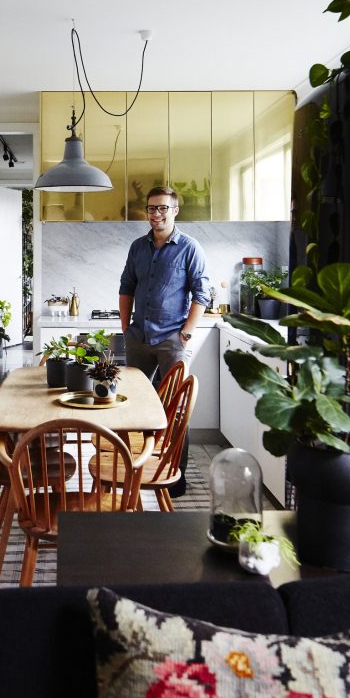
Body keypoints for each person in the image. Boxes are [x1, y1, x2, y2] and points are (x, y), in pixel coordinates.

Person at [119, 186, 210, 495]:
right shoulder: (137, 247)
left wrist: (185, 333)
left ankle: (174, 475)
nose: (155, 214)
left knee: (175, 409)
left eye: (161, 208)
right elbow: (126, 286)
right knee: (134, 406)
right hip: (139, 338)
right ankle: (138, 467)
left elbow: (202, 295)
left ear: (174, 211)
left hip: (172, 340)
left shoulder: (190, 248)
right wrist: (125, 326)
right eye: (151, 208)